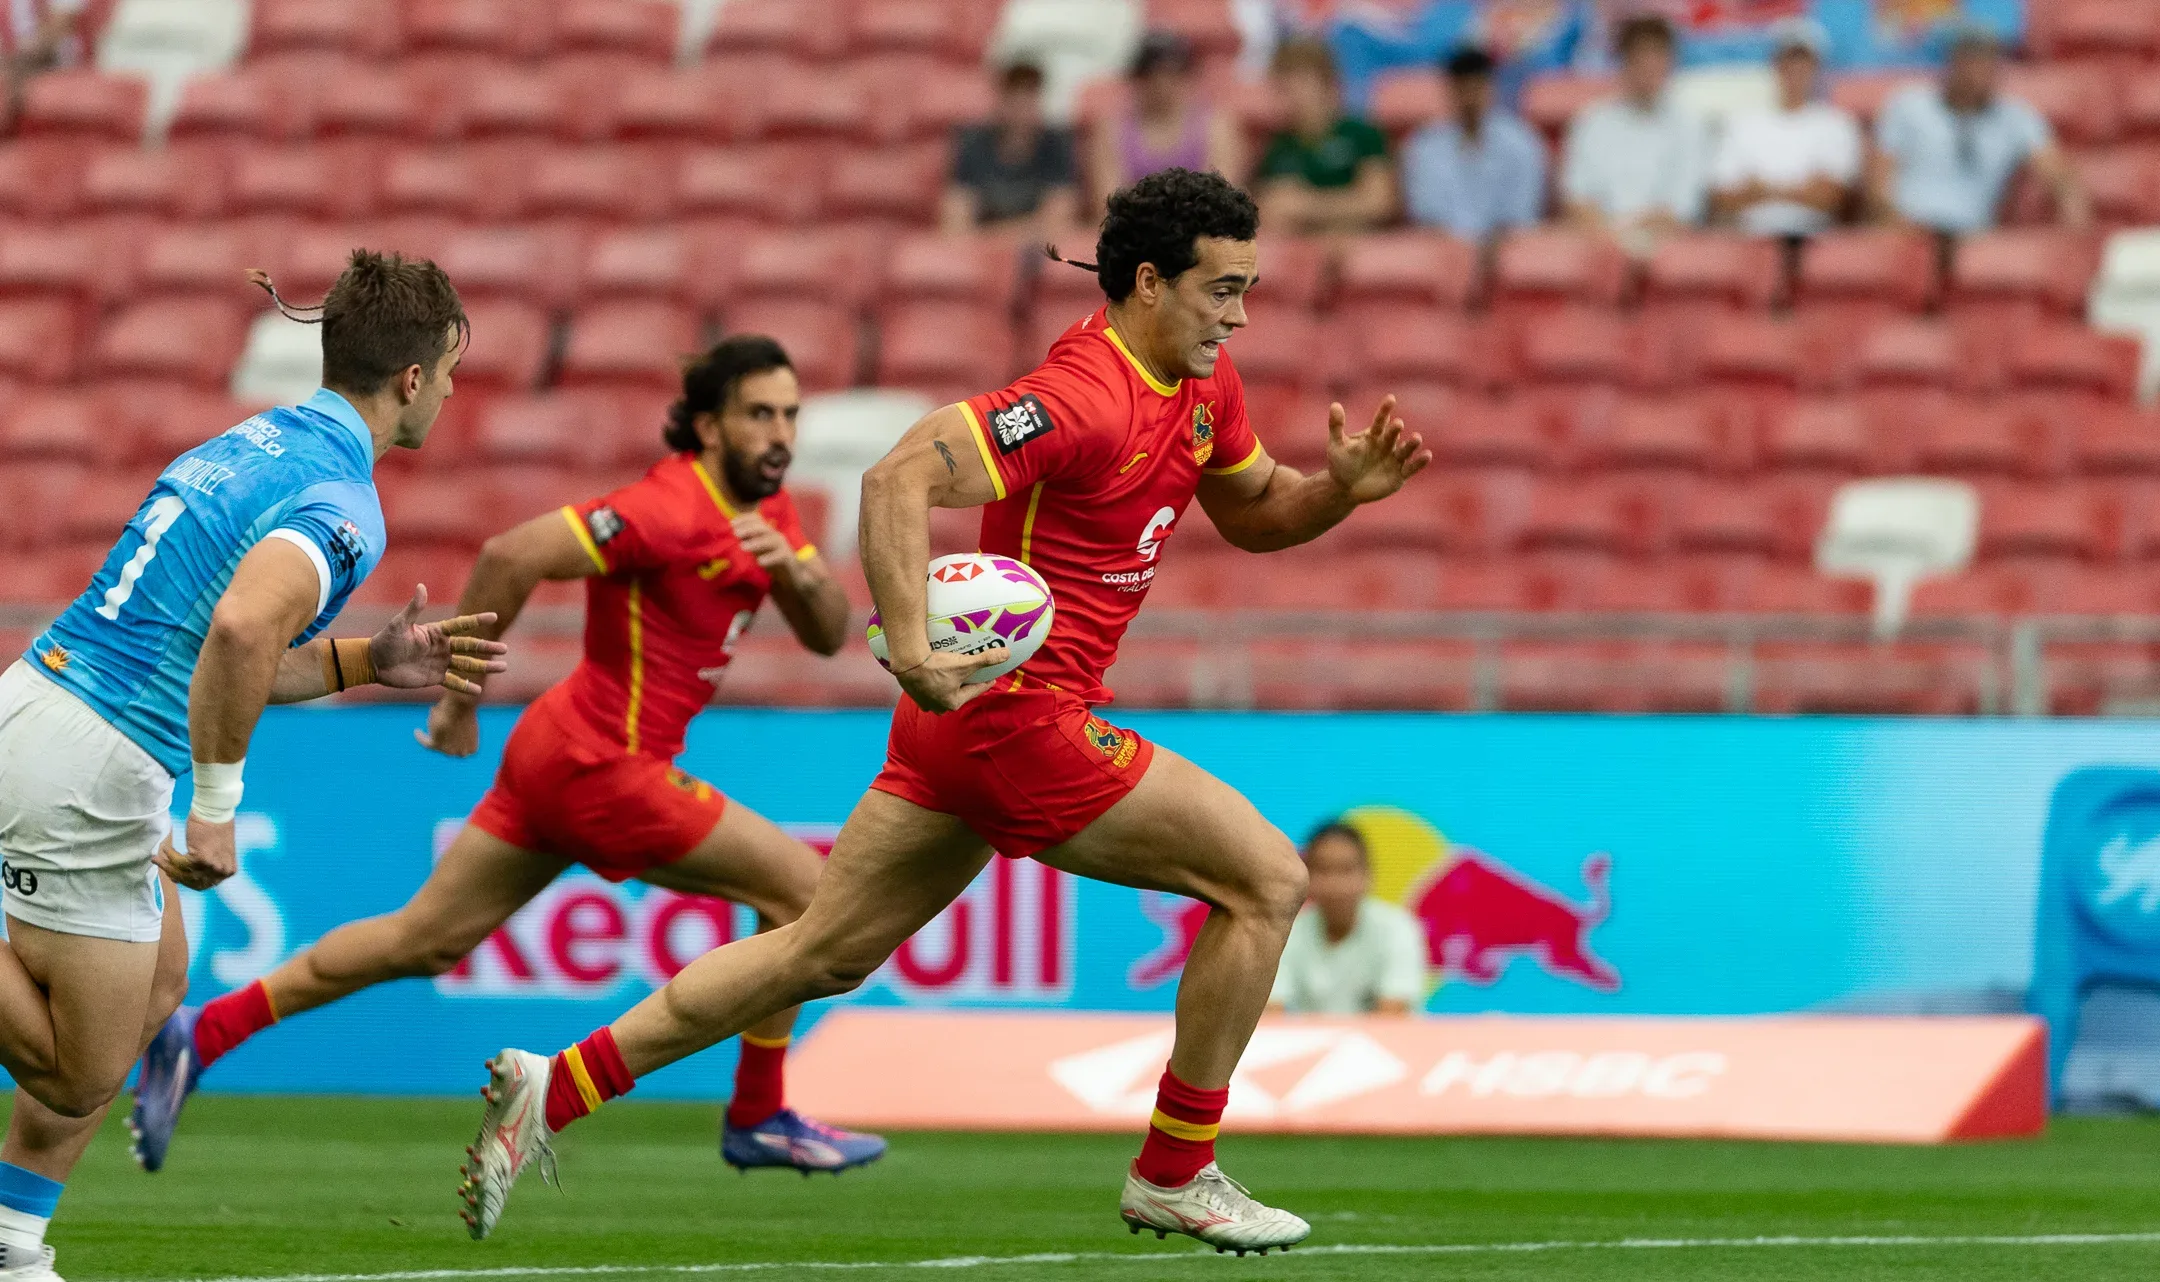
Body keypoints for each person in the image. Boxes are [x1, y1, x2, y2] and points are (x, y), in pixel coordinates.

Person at [455, 167, 1432, 1254]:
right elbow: (894, 477)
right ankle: (1176, 1168)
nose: (1239, 313)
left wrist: (1339, 489)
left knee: (816, 950)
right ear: (1150, 283)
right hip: (1019, 717)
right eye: (1221, 289)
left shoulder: (1208, 387)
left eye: (1248, 288)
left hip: (966, 729)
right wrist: (911, 644)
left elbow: (1255, 513)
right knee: (1268, 878)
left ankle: (557, 1087)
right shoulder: (1080, 396)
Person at [127, 337, 886, 1182]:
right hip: (607, 764)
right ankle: (757, 1114)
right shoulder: (667, 509)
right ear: (709, 427)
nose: (779, 432)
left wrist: (806, 566)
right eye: (758, 415)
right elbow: (510, 555)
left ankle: (203, 1031)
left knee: (421, 939)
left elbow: (823, 635)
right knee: (807, 897)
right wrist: (458, 699)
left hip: (559, 751)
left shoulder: (772, 513)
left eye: (789, 414)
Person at [0, 251, 502, 1282]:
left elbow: (219, 645)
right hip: (95, 767)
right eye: (449, 372)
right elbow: (238, 632)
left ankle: (10, 1237)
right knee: (75, 1069)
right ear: (413, 378)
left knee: (163, 982)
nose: (448, 393)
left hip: (42, 702)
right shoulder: (346, 501)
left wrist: (370, 659)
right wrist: (219, 804)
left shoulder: (254, 441)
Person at [1870, 22, 2091, 236]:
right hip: (1908, 229)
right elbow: (1878, 183)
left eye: (1987, 61)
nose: (1978, 71)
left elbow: (2059, 175)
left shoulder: (2016, 118)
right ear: (1951, 62)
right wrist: (1897, 223)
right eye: (1969, 59)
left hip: (1972, 237)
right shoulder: (1908, 105)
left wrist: (2073, 215)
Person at [1560, 14, 1708, 256]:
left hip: (1666, 250)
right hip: (1600, 248)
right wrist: (1614, 239)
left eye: (1659, 54)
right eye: (1641, 55)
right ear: (1624, 60)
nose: (1650, 65)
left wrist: (1635, 237)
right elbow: (1577, 201)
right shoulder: (1592, 122)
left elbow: (1683, 211)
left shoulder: (1689, 125)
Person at [1709, 19, 1861, 239]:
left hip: (1814, 240)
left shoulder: (1836, 123)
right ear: (1775, 64)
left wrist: (1760, 189)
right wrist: (1802, 190)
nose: (1795, 69)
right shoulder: (1743, 123)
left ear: (1816, 67)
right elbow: (1721, 197)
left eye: (1803, 61)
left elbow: (1831, 197)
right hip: (1749, 241)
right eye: (1788, 60)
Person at [1267, 823, 1427, 1016]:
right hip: (1314, 1045)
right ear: (1305, 876)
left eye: (1347, 870)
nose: (1336, 884)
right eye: (1324, 870)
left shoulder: (1398, 928)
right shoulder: (1288, 933)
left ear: (1368, 874)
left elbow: (1392, 1017)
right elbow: (1271, 1014)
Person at [1087, 31, 1245, 215]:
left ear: (1188, 77)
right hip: (1134, 231)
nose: (1161, 85)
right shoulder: (1110, 129)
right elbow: (1108, 201)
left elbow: (1222, 195)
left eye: (1172, 75)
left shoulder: (1216, 126)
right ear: (1137, 79)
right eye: (1152, 76)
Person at [1400, 45, 1546, 241]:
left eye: (1476, 88)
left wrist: (1489, 247)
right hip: (1443, 252)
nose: (1469, 99)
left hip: (1506, 250)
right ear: (1449, 90)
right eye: (1462, 90)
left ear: (1491, 88)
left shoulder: (1522, 143)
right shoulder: (1425, 146)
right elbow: (1426, 213)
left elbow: (1522, 213)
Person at [1254, 37, 1396, 236]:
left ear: (1328, 85)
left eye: (1301, 84)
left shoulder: (1361, 134)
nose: (1293, 96)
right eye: (1284, 87)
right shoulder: (1278, 145)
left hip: (1355, 243)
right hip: (1298, 247)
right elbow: (1271, 209)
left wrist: (1307, 204)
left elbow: (1379, 202)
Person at [943, 61, 1080, 240]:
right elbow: (955, 224)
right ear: (999, 100)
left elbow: (1059, 220)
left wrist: (986, 236)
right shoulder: (972, 142)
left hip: (1032, 253)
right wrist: (1028, 229)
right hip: (980, 256)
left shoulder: (1057, 143)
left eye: (1029, 98)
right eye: (1014, 100)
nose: (1021, 110)